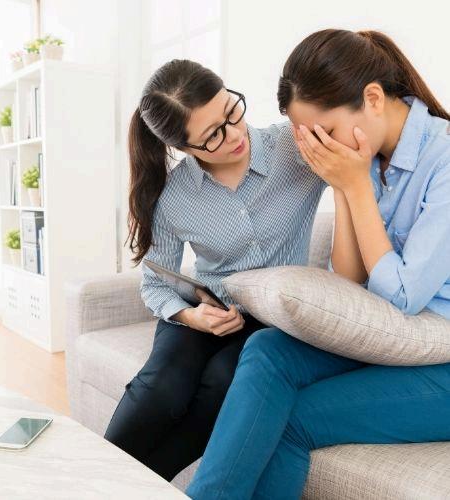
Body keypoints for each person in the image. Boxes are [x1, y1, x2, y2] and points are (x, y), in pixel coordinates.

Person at [187, 29, 450, 500]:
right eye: (309, 137)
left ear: (373, 99)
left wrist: (357, 185)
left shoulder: (444, 160)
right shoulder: (368, 155)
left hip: (440, 360)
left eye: (325, 132)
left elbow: (403, 297)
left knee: (292, 418)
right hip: (395, 342)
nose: (321, 147)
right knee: (268, 350)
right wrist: (343, 184)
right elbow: (349, 279)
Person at [102, 59, 327, 481]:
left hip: (271, 319)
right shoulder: (173, 197)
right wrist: (192, 316)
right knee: (163, 386)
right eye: (213, 136)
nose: (235, 134)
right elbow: (155, 284)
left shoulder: (294, 147)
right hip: (204, 311)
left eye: (231, 111)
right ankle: (92, 480)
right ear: (185, 149)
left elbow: (361, 164)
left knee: (223, 381)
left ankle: (126, 487)